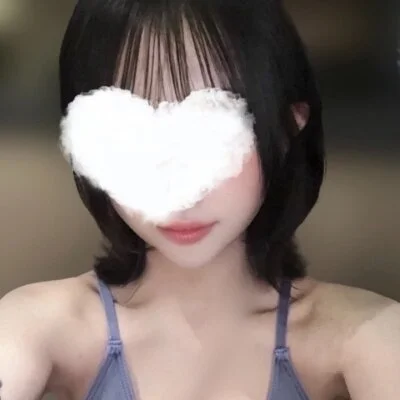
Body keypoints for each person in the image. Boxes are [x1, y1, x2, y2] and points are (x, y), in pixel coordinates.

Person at [1, 0, 399, 399]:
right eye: (133, 133)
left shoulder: (364, 334)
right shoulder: (37, 325)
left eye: (212, 131)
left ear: (287, 124)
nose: (180, 191)